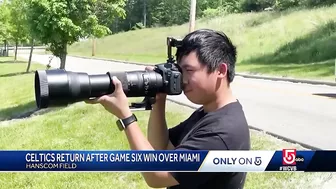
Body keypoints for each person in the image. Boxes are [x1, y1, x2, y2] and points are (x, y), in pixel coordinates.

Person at [86, 29, 251, 189]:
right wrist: (159, 96)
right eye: (179, 71)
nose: (183, 80)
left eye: (189, 70)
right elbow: (162, 148)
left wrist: (126, 117)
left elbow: (157, 175)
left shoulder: (222, 132)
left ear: (221, 71)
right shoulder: (209, 112)